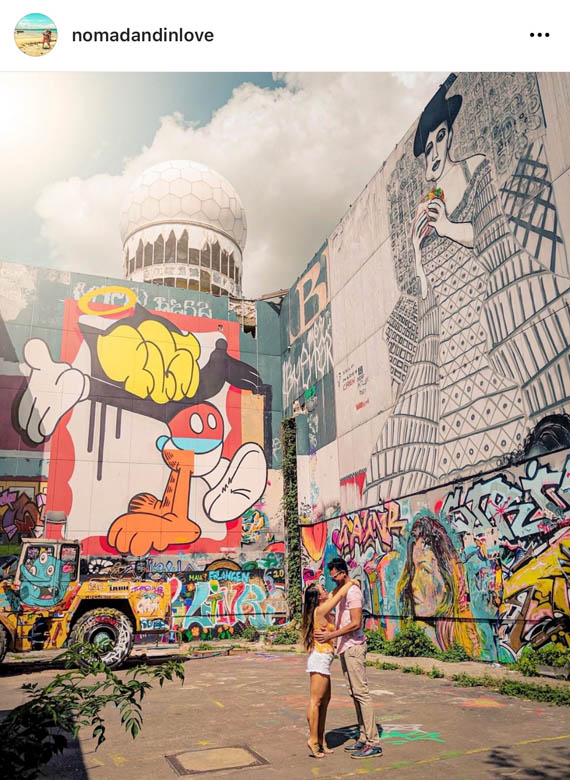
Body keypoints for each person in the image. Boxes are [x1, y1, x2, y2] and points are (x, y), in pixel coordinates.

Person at [365, 75, 570, 504]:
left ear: (450, 135)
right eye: (428, 146)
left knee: (503, 414)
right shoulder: (420, 210)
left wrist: (447, 227)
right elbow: (424, 289)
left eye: (440, 138)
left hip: (481, 314)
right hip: (449, 339)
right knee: (443, 439)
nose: (435, 151)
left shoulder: (474, 166)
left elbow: (492, 232)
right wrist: (421, 253)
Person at [314, 557, 382, 760]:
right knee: (354, 693)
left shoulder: (353, 592)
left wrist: (330, 636)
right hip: (346, 648)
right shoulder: (343, 590)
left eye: (335, 575)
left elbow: (355, 623)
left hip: (354, 647)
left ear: (343, 572)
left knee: (361, 693)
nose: (332, 580)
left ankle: (373, 742)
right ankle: (363, 737)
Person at [396, 513, 481, 655]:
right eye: (413, 570)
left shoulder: (467, 637)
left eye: (425, 570)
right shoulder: (422, 631)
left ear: (448, 583)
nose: (413, 584)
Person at [301, 577, 356, 758]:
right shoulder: (320, 610)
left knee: (325, 702)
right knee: (315, 701)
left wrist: (343, 582)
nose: (326, 590)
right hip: (319, 659)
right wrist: (351, 582)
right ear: (317, 598)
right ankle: (312, 739)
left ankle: (321, 740)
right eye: (321, 589)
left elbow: (334, 593)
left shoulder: (321, 609)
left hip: (325, 660)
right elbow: (338, 595)